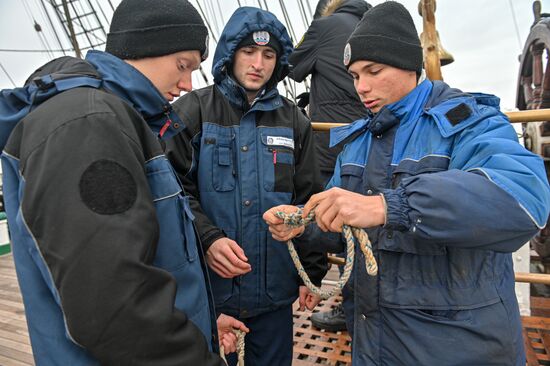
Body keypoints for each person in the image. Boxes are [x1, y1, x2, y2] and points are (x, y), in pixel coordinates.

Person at [263, 2, 550, 365]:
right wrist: (302, 224)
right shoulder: (358, 142)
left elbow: (525, 198)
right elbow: (341, 226)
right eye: (353, 76)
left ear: (409, 64)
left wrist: (390, 206)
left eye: (373, 71)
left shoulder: (468, 122)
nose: (361, 88)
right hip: (375, 344)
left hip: (457, 350)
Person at [0, 0, 248, 364]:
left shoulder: (117, 121)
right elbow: (113, 307)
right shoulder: (88, 125)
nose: (187, 84)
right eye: (183, 66)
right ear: (145, 48)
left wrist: (203, 326)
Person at [165, 6, 327, 365]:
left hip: (273, 295)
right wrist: (208, 238)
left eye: (269, 54)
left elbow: (309, 200)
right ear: (230, 54)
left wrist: (312, 273)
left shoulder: (294, 121)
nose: (259, 63)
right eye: (249, 52)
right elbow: (173, 191)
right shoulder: (194, 111)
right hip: (210, 293)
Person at [288, 0, 371, 333]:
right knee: (363, 223)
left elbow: (293, 69)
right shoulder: (370, 26)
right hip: (370, 140)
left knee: (329, 218)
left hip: (332, 144)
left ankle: (345, 307)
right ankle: (359, 306)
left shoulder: (325, 26)